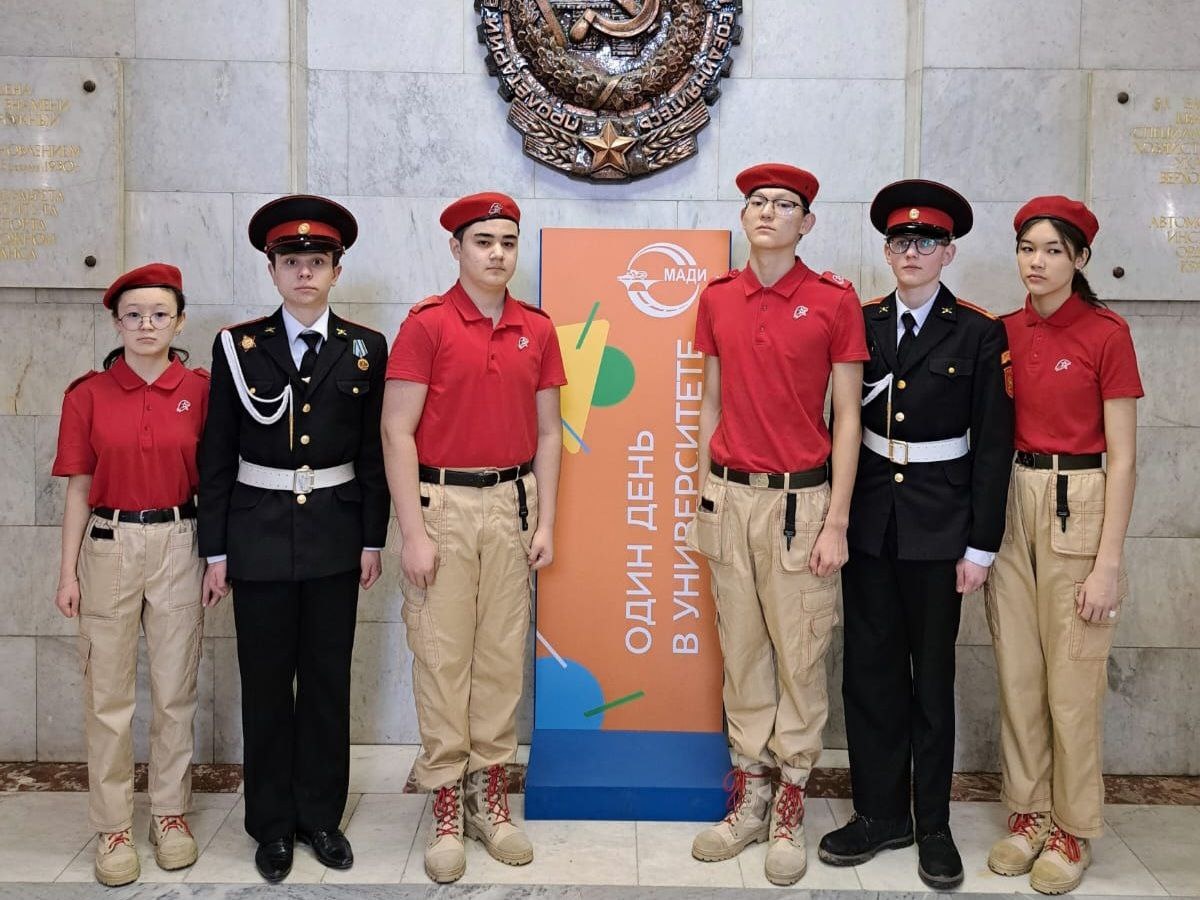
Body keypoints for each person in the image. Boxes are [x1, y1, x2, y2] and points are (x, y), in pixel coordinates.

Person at [816, 180, 1013, 889]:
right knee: (868, 675)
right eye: (901, 241)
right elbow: (838, 419)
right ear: (887, 250)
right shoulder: (861, 321)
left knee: (931, 680)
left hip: (940, 527)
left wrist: (981, 545)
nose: (912, 252)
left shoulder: (979, 332)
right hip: (871, 522)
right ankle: (878, 815)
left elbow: (992, 448)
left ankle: (932, 824)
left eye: (927, 242)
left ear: (948, 253)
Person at [197, 195, 389, 883]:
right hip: (258, 538)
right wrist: (216, 551)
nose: (304, 273)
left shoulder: (366, 348)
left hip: (336, 536)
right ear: (272, 270)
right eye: (291, 261)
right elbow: (216, 453)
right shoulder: (239, 346)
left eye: (317, 261)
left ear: (337, 269)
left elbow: (373, 454)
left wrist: (372, 539)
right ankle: (272, 825)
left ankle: (321, 818)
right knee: (267, 687)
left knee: (328, 683)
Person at [686, 163, 869, 886]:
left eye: (784, 204)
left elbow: (848, 416)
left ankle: (791, 801)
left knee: (800, 655)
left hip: (802, 504)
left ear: (807, 222)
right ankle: (752, 796)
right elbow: (710, 401)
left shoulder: (833, 301)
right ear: (744, 218)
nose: (767, 212)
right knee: (743, 654)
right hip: (729, 500)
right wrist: (704, 487)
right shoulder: (718, 297)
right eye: (756, 202)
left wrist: (837, 520)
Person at [382, 192, 565, 884]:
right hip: (443, 505)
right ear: (456, 249)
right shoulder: (427, 324)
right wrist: (413, 532)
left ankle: (490, 796)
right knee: (442, 656)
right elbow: (396, 430)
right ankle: (446, 803)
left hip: (512, 504)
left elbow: (549, 433)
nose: (497, 253)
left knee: (499, 657)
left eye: (508, 242)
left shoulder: (536, 329)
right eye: (484, 241)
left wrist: (546, 521)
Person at [984, 197, 1142, 895]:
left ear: (1079, 258)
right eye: (1027, 248)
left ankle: (1073, 828)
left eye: (1053, 250)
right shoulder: (1003, 331)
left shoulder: (1107, 333)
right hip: (1009, 501)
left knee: (1072, 682)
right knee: (1018, 672)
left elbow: (1125, 458)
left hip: (1079, 499)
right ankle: (1028, 814)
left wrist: (1108, 564)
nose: (1037, 262)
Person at [52, 263, 211, 887]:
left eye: (159, 314)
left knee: (175, 692)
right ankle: (113, 826)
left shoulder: (200, 391)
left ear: (179, 321)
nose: (147, 325)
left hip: (180, 542)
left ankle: (170, 814)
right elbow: (78, 488)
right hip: (108, 546)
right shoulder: (87, 394)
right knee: (108, 697)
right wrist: (67, 573)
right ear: (116, 323)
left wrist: (217, 559)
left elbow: (216, 482)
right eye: (134, 315)